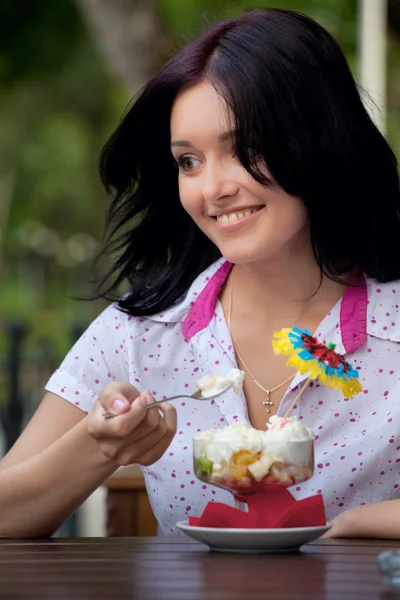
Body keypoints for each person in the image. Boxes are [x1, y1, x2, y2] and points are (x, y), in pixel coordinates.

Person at [1, 7, 400, 539]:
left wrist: (361, 523)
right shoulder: (141, 332)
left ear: (319, 141)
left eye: (246, 150)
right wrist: (102, 447)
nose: (212, 189)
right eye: (189, 161)